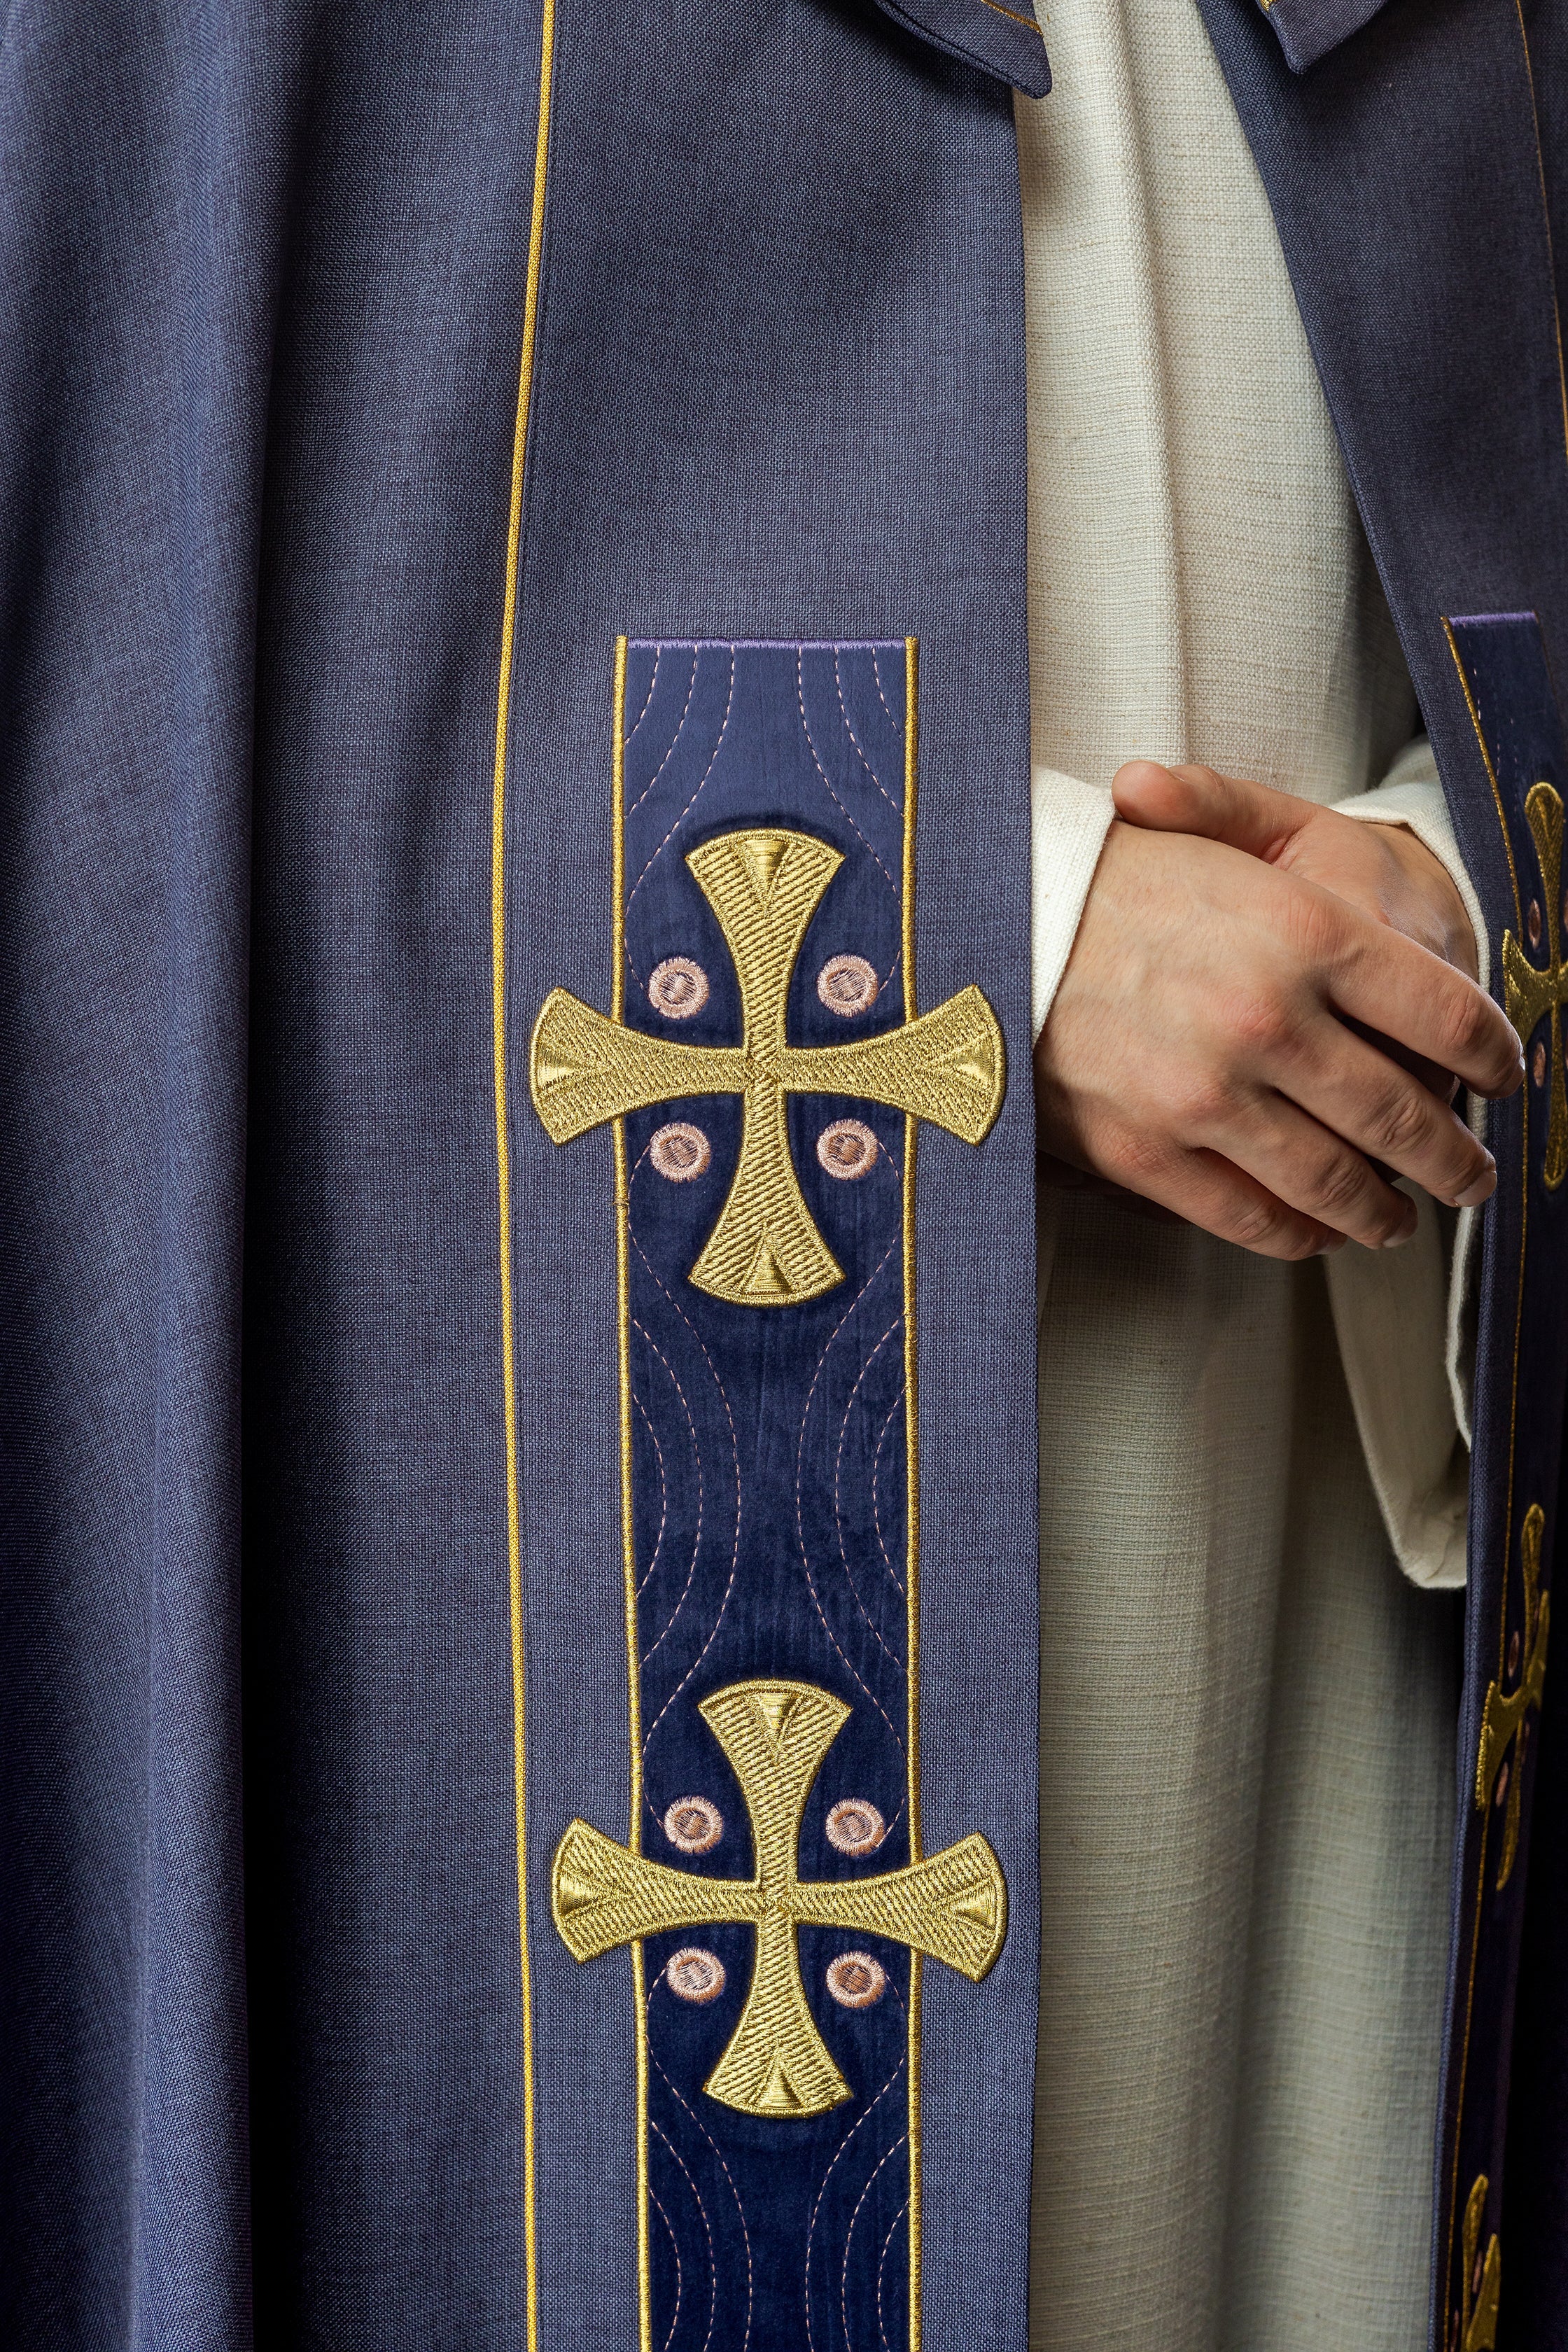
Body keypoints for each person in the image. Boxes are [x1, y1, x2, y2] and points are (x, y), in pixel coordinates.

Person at [3, 3, 1565, 2350]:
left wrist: (1461, 898)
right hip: (561, 1542)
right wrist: (978, 936)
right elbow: (134, 738)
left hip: (1331, 1509)